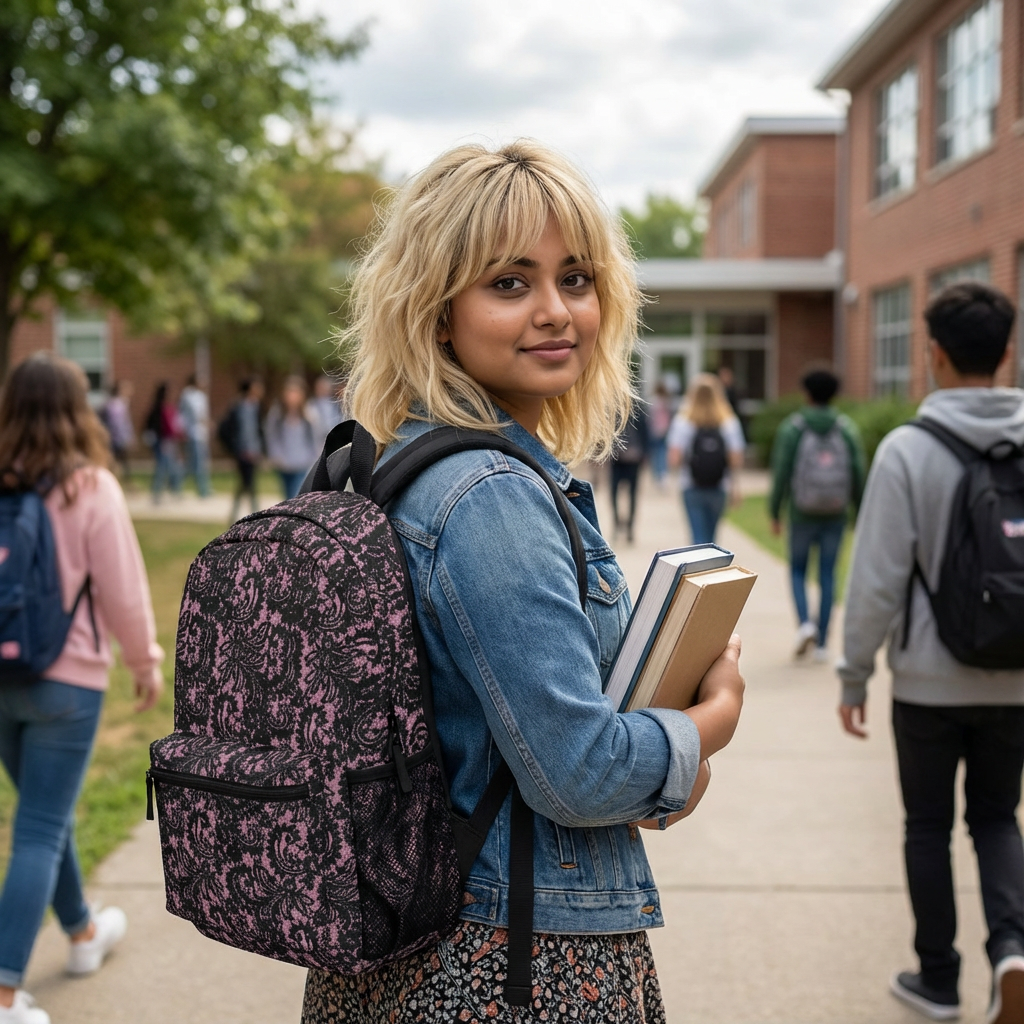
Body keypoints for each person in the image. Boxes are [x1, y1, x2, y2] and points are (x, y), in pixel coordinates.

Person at [300, 140, 745, 1023]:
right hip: (511, 963)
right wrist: (712, 719)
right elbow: (576, 773)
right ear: (437, 312)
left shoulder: (400, 467)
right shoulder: (490, 497)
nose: (555, 311)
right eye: (510, 283)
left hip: (412, 942)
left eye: (575, 278)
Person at [838, 283, 1024, 1024]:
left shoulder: (908, 450)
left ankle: (938, 979)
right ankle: (1011, 950)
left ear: (934, 355)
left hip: (927, 681)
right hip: (1015, 677)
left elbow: (879, 577)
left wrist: (854, 672)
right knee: (998, 818)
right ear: (1007, 354)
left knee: (927, 825)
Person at [0, 354, 163, 1024]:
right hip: (68, 682)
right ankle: (5, 995)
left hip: (2, 678)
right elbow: (123, 590)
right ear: (77, 408)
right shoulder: (89, 486)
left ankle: (82, 934)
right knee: (40, 825)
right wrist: (145, 661)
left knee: (44, 813)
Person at [769, 369, 865, 663]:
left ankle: (805, 625)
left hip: (801, 512)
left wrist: (775, 511)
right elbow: (859, 472)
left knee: (797, 569)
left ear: (807, 394)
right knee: (827, 574)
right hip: (835, 514)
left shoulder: (793, 428)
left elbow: (782, 472)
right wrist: (858, 510)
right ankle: (823, 643)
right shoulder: (846, 428)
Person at [667, 373, 744, 544]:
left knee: (697, 538)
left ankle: (699, 568)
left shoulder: (683, 422)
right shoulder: (729, 423)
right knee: (712, 539)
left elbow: (674, 458)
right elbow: (736, 458)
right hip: (719, 486)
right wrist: (735, 486)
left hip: (691, 485)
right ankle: (712, 567)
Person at [264, 376, 320, 501]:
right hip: (283, 462)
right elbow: (271, 435)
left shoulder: (309, 412)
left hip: (302, 461)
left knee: (295, 495)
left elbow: (315, 437)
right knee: (288, 496)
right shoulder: (277, 413)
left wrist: (315, 457)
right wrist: (276, 455)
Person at [218, 378, 264, 522]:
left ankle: (237, 513)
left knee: (246, 483)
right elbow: (227, 430)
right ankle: (254, 514)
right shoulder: (238, 407)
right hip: (243, 452)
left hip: (254, 451)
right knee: (248, 483)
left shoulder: (256, 406)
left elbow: (258, 430)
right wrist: (234, 448)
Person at [609, 403, 648, 542]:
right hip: (622, 459)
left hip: (628, 459)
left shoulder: (636, 411)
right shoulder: (616, 410)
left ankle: (627, 526)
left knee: (626, 494)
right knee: (621, 494)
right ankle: (620, 524)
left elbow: (645, 433)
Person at [143, 382, 183, 503]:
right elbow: (153, 426)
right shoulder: (159, 408)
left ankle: (173, 491)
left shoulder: (168, 407)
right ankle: (157, 494)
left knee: (173, 468)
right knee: (162, 468)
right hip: (163, 441)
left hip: (169, 441)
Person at [177, 375, 211, 498]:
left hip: (201, 434)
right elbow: (191, 415)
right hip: (192, 434)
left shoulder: (201, 396)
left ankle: (203, 488)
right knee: (194, 463)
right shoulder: (187, 395)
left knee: (199, 463)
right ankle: (201, 489)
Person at [100, 381, 134, 484]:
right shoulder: (116, 405)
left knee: (120, 463)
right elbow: (117, 424)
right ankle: (120, 483)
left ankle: (122, 482)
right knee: (118, 463)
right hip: (116, 439)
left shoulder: (118, 403)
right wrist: (125, 438)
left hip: (115, 438)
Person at [647, 380, 675, 488]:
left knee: (656, 454)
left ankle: (657, 474)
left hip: (654, 431)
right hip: (665, 430)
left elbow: (649, 418)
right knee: (662, 453)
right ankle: (662, 474)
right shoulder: (667, 402)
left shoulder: (653, 401)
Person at [308, 374, 344, 448]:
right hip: (317, 439)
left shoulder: (335, 404)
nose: (323, 390)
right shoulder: (311, 404)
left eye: (325, 387)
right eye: (320, 387)